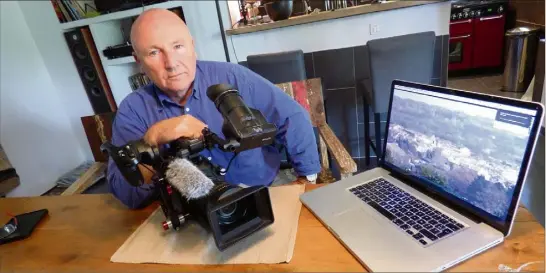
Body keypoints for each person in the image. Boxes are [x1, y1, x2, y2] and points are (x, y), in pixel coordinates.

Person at [107, 8, 321, 209]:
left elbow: (293, 117)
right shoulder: (132, 110)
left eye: (178, 46)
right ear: (138, 61)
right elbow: (127, 195)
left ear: (192, 46)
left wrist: (307, 179)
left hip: (263, 190)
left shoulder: (232, 78)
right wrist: (151, 142)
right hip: (191, 208)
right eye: (154, 52)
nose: (171, 63)